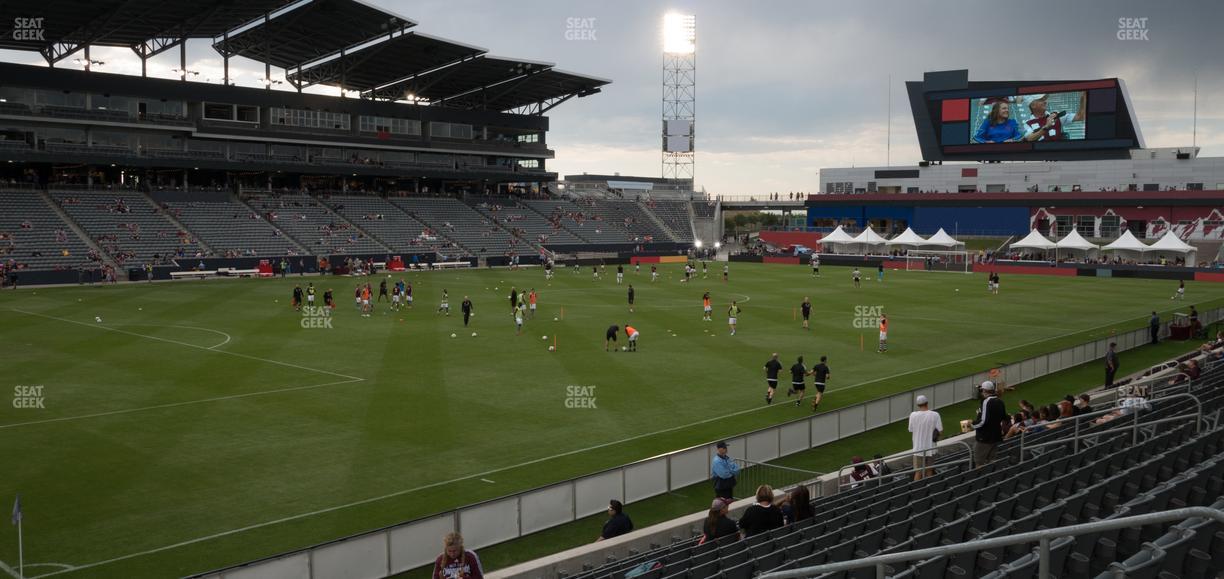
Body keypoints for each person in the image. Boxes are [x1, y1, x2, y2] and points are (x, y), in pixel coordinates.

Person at [970, 381, 1006, 467]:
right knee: (992, 462)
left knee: (979, 463)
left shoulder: (987, 402)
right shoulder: (1000, 401)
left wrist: (972, 424)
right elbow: (1003, 417)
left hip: (985, 438)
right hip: (996, 436)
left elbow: (983, 421)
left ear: (985, 391)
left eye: (982, 390)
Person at [907, 395, 943, 480]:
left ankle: (917, 488)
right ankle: (929, 487)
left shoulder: (913, 415)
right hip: (931, 448)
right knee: (929, 470)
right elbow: (940, 431)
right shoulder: (935, 415)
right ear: (927, 403)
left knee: (918, 472)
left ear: (918, 405)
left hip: (918, 449)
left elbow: (910, 429)